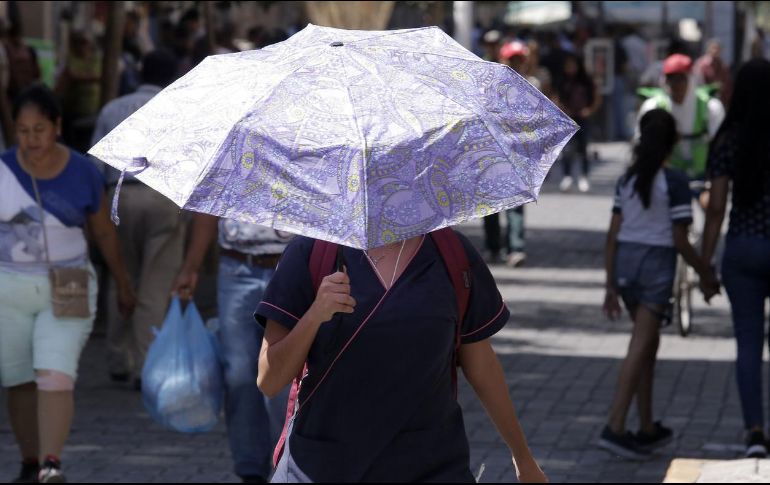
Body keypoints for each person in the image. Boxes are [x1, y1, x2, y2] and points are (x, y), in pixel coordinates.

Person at [255, 230, 547, 482]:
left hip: (432, 466)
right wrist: (315, 315)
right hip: (323, 466)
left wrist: (521, 456)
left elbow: (482, 367)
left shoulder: (452, 254)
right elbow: (269, 380)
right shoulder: (311, 252)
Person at [0, 85, 135, 483]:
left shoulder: (83, 172)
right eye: (23, 131)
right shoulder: (4, 170)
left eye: (39, 129)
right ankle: (29, 460)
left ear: (57, 126)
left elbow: (104, 235)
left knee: (56, 372)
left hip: (71, 281)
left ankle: (51, 462)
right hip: (10, 287)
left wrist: (123, 283)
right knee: (18, 378)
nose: (31, 140)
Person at [600, 108, 718, 460]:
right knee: (641, 345)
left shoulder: (627, 181)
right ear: (673, 142)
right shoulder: (676, 182)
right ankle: (615, 425)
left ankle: (647, 426)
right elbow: (681, 240)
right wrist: (706, 272)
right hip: (655, 267)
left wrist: (609, 285)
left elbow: (612, 235)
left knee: (647, 344)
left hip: (626, 265)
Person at [172, 215, 292, 483]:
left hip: (291, 266)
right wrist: (191, 265)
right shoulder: (227, 170)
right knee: (238, 375)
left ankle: (284, 464)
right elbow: (209, 207)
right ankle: (250, 469)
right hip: (237, 267)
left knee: (283, 374)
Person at [90, 50, 185, 388]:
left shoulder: (112, 108)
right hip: (162, 198)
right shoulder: (179, 108)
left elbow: (97, 167)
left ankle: (118, 358)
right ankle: (146, 365)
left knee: (122, 276)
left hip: (119, 197)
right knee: (155, 286)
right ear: (172, 75)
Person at [701, 59, 770, 459]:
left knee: (748, 343)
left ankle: (755, 432)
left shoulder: (727, 140)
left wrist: (705, 263)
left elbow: (716, 209)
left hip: (743, 248)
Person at [636, 54, 725, 208]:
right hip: (667, 174)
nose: (676, 85)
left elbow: (720, 148)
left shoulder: (711, 107)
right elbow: (641, 146)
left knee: (713, 206)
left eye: (681, 78)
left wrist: (713, 181)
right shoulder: (653, 107)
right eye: (671, 79)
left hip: (702, 174)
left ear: (690, 79)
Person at [483, 40, 531, 267]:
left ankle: (516, 248)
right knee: (491, 206)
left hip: (518, 154)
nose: (516, 63)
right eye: (512, 59)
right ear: (503, 60)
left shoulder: (531, 86)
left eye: (519, 59)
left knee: (515, 205)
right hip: (492, 153)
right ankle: (492, 247)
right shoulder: (490, 86)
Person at [555, 53, 601, 193]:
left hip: (583, 118)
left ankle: (584, 176)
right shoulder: (563, 81)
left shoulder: (586, 81)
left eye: (573, 65)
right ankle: (567, 176)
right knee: (567, 149)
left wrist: (589, 110)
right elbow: (557, 98)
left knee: (583, 148)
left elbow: (597, 98)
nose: (570, 68)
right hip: (567, 119)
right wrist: (562, 110)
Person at [693, 39, 732, 108]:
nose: (715, 51)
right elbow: (697, 84)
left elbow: (727, 86)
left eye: (718, 49)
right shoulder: (701, 65)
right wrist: (712, 88)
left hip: (720, 103)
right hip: (704, 102)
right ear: (708, 49)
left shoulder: (723, 66)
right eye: (713, 48)